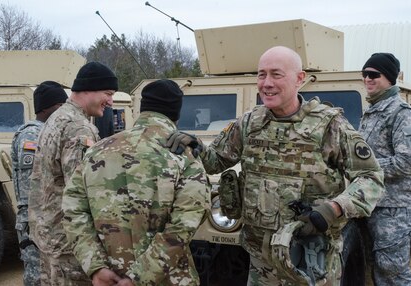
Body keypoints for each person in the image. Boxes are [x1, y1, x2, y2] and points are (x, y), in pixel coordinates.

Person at [167, 46, 385, 285]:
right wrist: (194, 146)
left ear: (299, 79)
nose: (266, 83)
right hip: (261, 263)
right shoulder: (250, 123)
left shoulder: (329, 126)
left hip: (309, 261)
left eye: (276, 74)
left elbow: (371, 177)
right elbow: (214, 162)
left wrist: (334, 208)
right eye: (261, 74)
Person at [61, 79, 210, 286]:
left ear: (142, 109)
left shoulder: (96, 150)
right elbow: (184, 225)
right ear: (176, 113)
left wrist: (96, 266)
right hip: (167, 278)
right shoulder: (184, 156)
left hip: (109, 277)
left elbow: (72, 211)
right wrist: (138, 278)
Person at [28, 61, 118, 285]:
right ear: (88, 89)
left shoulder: (56, 119)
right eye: (107, 93)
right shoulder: (78, 128)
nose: (111, 101)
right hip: (69, 245)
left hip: (48, 235)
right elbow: (83, 194)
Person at [359, 53, 411, 285]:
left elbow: (406, 162)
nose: (367, 79)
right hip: (369, 203)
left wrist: (365, 168)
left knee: (392, 272)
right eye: (364, 74)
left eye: (374, 75)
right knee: (371, 268)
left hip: (393, 208)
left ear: (389, 78)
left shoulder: (401, 113)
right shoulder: (372, 111)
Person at [11, 80, 67, 285]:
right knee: (37, 277)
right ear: (50, 107)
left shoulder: (47, 132)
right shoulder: (32, 134)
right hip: (35, 220)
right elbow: (30, 186)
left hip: (45, 219)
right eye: (61, 107)